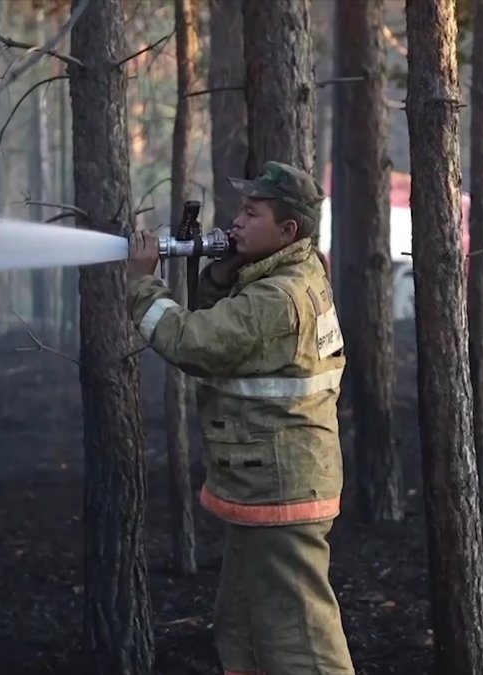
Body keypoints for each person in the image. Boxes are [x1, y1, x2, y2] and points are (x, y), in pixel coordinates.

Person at [125, 160, 355, 674]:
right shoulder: (294, 270)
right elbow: (237, 336)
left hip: (282, 485)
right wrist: (224, 272)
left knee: (299, 637)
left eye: (252, 214)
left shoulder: (279, 295)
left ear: (287, 230)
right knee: (245, 626)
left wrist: (143, 285)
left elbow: (195, 342)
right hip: (269, 479)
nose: (236, 222)